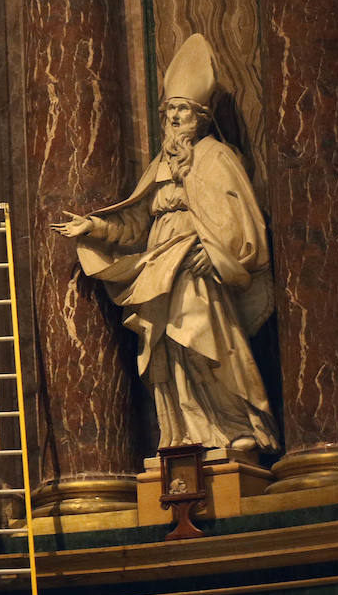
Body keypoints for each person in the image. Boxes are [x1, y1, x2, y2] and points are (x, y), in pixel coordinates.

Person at [50, 34, 278, 453]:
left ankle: (234, 426)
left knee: (203, 342)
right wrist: (94, 229)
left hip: (197, 265)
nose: (174, 118)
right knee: (167, 348)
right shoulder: (159, 165)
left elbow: (242, 219)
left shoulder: (217, 158)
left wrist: (218, 254)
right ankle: (189, 434)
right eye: (169, 110)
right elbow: (136, 223)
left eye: (183, 111)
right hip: (160, 267)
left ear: (201, 118)